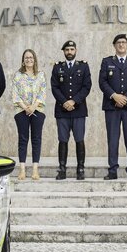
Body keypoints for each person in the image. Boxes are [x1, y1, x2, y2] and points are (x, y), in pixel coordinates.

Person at [99, 33, 127, 180]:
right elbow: (102, 82)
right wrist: (114, 96)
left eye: (124, 42)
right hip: (112, 106)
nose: (121, 45)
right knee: (113, 139)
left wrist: (125, 97)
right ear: (114, 45)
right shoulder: (106, 62)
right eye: (118, 42)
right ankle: (112, 170)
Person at [50, 40, 92, 180]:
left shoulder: (84, 67)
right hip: (62, 110)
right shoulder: (57, 67)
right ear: (63, 51)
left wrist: (74, 101)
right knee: (63, 139)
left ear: (76, 50)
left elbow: (87, 86)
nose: (69, 52)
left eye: (72, 49)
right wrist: (65, 102)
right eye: (67, 49)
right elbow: (54, 87)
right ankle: (62, 169)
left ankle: (80, 169)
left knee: (79, 139)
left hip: (78, 109)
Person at [11, 48, 47, 180]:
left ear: (35, 59)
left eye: (31, 57)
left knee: (36, 139)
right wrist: (25, 107)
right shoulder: (17, 75)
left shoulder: (41, 75)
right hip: (21, 111)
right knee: (23, 139)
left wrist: (33, 106)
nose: (29, 60)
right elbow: (15, 94)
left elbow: (42, 92)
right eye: (26, 58)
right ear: (23, 60)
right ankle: (22, 170)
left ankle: (35, 170)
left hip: (37, 110)